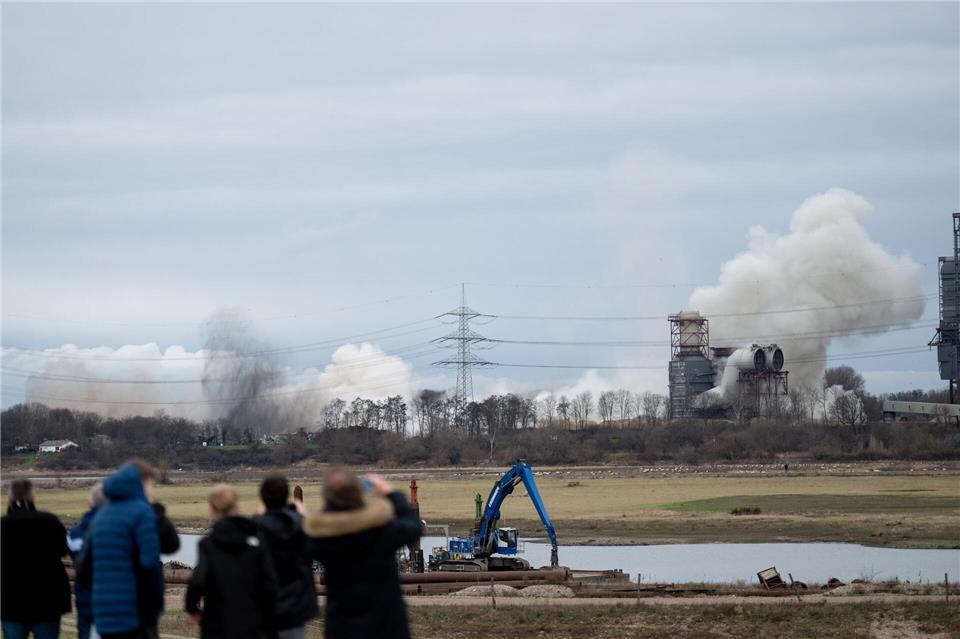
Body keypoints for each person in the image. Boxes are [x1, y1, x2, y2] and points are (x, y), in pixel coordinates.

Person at [303, 467, 422, 639]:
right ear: (358, 495)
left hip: (343, 627)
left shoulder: (322, 540)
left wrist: (326, 511)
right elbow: (414, 527)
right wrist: (392, 494)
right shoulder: (382, 531)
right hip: (386, 626)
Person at [186, 484, 279, 639]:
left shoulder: (209, 544)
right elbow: (270, 586)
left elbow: (198, 581)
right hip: (251, 624)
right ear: (237, 506)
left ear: (211, 509)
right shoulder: (255, 541)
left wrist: (192, 608)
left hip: (216, 625)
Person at [88, 461, 164, 639]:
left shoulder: (101, 515)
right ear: (142, 483)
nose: (151, 491)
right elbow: (150, 563)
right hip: (134, 612)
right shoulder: (142, 512)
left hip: (104, 612)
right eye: (150, 484)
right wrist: (156, 604)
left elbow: (86, 564)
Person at [0, 479, 71, 639]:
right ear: (33, 496)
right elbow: (63, 550)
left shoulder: (3, 525)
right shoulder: (50, 521)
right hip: (47, 599)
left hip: (10, 599)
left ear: (10, 497)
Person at [252, 476, 318, 639]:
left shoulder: (255, 529)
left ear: (263, 499)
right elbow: (319, 549)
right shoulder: (301, 531)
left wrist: (262, 514)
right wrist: (305, 517)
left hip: (263, 609)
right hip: (293, 611)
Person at [67, 483, 106, 639]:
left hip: (87, 602)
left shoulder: (76, 533)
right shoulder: (125, 528)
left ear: (90, 502)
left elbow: (74, 555)